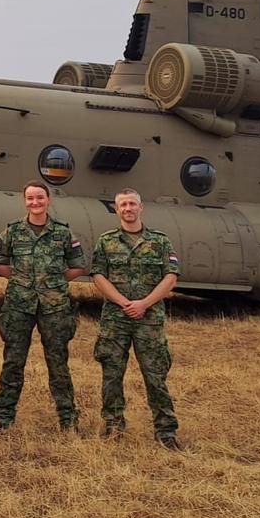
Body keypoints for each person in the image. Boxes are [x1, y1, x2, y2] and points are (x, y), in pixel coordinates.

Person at [0, 180, 88, 431]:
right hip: (19, 306)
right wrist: (21, 280)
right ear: (25, 201)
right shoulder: (12, 231)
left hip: (54, 307)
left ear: (48, 200)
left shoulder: (62, 232)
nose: (35, 202)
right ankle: (4, 418)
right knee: (13, 362)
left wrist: (54, 282)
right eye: (30, 198)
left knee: (58, 364)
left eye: (40, 198)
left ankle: (68, 420)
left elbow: (78, 265)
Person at [90, 188, 182, 448]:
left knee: (155, 376)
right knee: (111, 374)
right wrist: (123, 302)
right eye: (122, 205)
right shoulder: (106, 241)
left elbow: (171, 276)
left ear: (141, 207)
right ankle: (113, 426)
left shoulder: (160, 242)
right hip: (115, 320)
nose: (128, 209)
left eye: (132, 204)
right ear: (117, 210)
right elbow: (98, 276)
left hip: (149, 319)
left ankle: (166, 432)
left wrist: (144, 303)